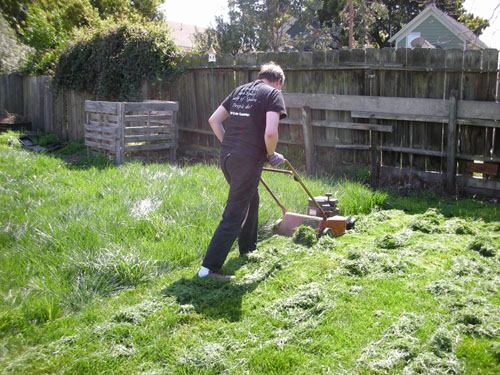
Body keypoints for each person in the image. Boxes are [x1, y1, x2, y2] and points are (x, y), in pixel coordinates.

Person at [198, 62, 287, 280]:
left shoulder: (240, 91)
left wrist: (229, 145)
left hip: (227, 159)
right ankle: (208, 270)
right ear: (278, 81)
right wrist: (271, 154)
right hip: (246, 161)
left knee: (251, 199)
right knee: (234, 214)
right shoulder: (273, 94)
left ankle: (248, 249)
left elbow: (214, 120)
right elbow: (270, 133)